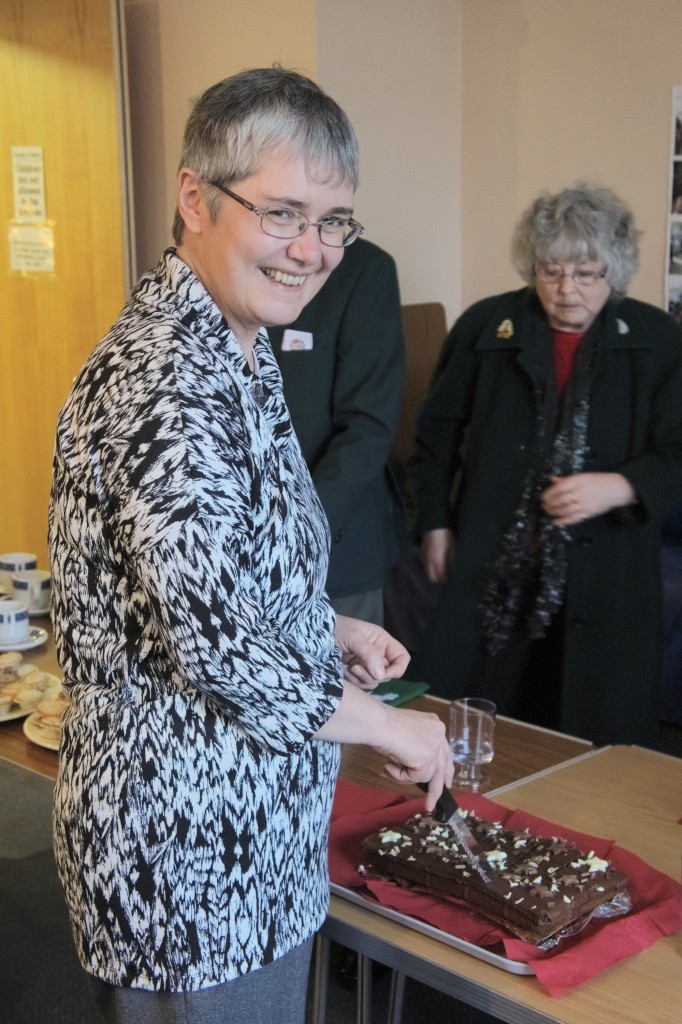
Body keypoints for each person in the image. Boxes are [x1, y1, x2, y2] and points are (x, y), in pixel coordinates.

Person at [48, 67, 452, 1024]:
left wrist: (322, 623)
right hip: (189, 863)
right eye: (282, 213)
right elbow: (217, 647)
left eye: (334, 221)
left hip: (251, 840)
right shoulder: (166, 378)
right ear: (195, 197)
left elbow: (218, 573)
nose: (311, 250)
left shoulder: (240, 342)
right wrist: (390, 724)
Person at [408, 181, 682, 749]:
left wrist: (622, 485)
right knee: (470, 722)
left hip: (608, 570)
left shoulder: (657, 339)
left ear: (616, 271)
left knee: (592, 729)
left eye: (587, 274)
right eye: (552, 271)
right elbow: (434, 437)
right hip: (494, 562)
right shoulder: (487, 327)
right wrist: (434, 524)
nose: (567, 290)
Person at [269, 237, 407, 625]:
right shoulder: (244, 261)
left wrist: (296, 530)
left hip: (335, 541)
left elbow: (369, 427)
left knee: (343, 681)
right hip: (235, 549)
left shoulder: (365, 268)